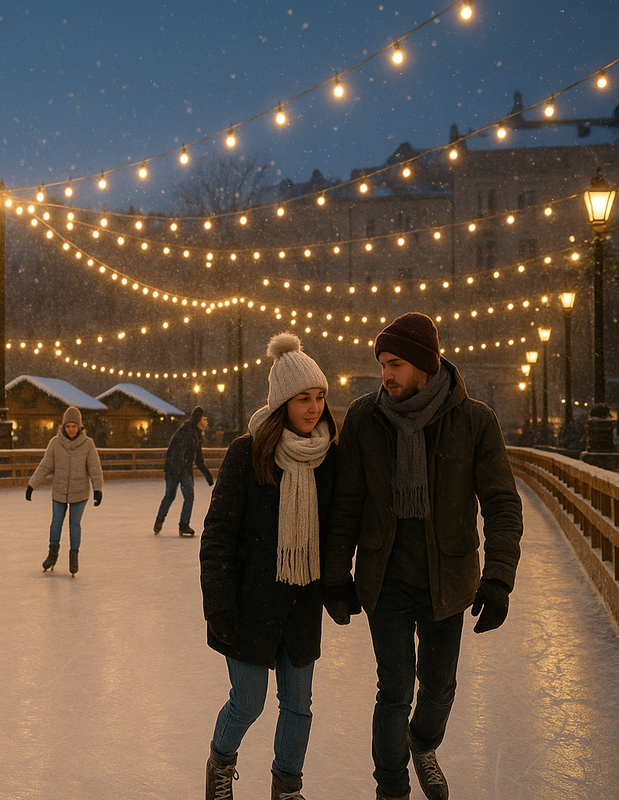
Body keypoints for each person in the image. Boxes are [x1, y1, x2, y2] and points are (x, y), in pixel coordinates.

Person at [323, 312, 522, 800]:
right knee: (393, 691)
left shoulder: (474, 421)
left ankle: (424, 743)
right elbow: (346, 503)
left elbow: (501, 504)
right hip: (384, 578)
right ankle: (391, 790)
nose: (385, 375)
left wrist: (498, 579)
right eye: (382, 365)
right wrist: (334, 576)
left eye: (394, 364)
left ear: (424, 366)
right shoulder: (366, 420)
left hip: (448, 579)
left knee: (438, 689)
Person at [200, 333, 338, 800]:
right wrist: (218, 604)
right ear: (283, 401)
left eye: (320, 397)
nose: (314, 407)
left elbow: (341, 527)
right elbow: (218, 533)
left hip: (302, 601)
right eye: (303, 398)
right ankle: (221, 761)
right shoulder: (247, 452)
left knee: (299, 705)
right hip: (250, 600)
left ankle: (287, 786)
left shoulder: (328, 457)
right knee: (249, 702)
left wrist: (340, 583)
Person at [25, 406, 103, 576]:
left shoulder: (88, 444)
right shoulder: (55, 443)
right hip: (59, 492)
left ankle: (73, 556)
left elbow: (95, 468)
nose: (71, 430)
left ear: (80, 426)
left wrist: (98, 489)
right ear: (63, 426)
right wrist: (32, 485)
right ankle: (52, 554)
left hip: (80, 493)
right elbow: (45, 465)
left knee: (74, 525)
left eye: (74, 426)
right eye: (68, 426)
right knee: (56, 523)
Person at [155, 405, 214, 536]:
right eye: (205, 419)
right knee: (170, 496)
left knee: (188, 497)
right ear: (199, 420)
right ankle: (160, 520)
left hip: (182, 471)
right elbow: (177, 453)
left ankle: (184, 525)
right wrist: (180, 472)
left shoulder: (196, 435)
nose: (206, 422)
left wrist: (207, 475)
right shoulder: (186, 432)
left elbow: (198, 459)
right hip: (175, 471)